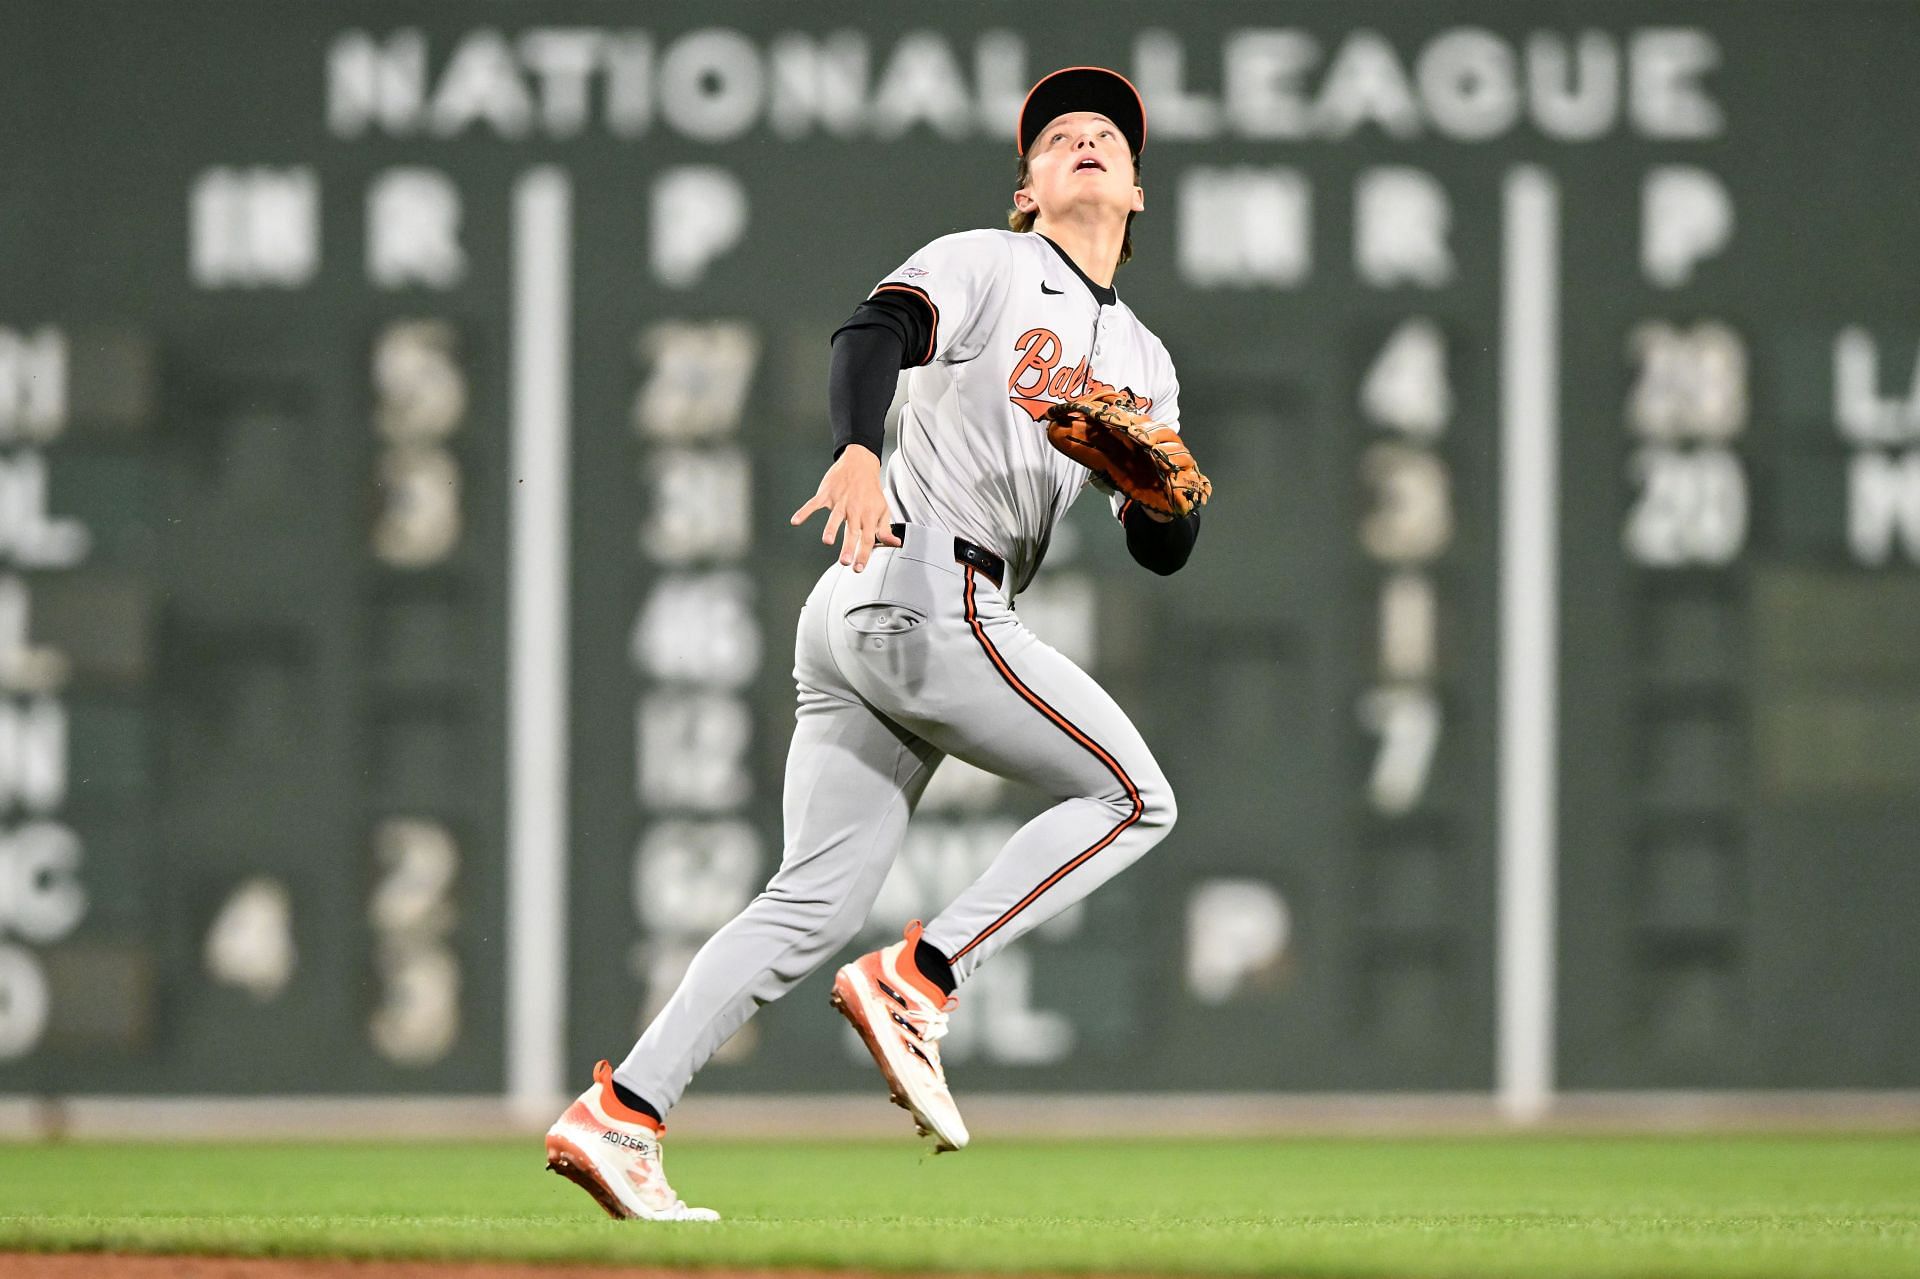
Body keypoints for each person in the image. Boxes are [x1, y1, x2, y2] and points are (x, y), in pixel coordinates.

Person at [544, 66, 1204, 1222]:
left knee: (809, 901)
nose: (1087, 141)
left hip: (873, 614)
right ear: (1027, 188)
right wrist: (857, 447)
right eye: (1060, 137)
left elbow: (1163, 549)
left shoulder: (1145, 362)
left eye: (1109, 135)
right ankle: (923, 978)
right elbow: (876, 328)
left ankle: (623, 1113)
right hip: (921, 578)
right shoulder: (994, 263)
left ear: (1139, 191)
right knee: (1134, 799)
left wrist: (1164, 504)